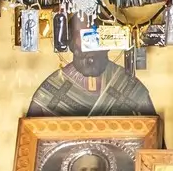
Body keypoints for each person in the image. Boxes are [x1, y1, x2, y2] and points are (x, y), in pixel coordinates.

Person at [27, 46, 156, 118]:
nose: (90, 60)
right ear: (73, 48)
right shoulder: (51, 90)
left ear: (106, 47)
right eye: (82, 49)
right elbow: (31, 144)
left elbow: (153, 139)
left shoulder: (126, 83)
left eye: (94, 44)